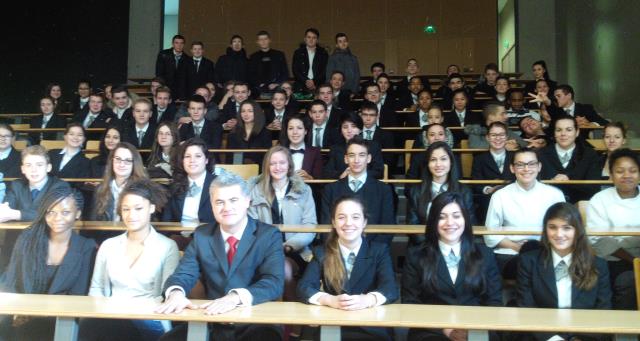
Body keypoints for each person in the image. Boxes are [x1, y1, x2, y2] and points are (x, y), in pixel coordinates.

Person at [156, 173, 284, 341]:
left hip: (255, 320)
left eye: (233, 200)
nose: (226, 207)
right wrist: (176, 293)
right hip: (212, 320)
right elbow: (184, 273)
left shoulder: (268, 235)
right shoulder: (202, 235)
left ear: (247, 201)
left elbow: (274, 281)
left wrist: (235, 297)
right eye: (219, 202)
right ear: (212, 205)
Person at [79, 179, 179, 341]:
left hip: (150, 318)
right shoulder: (109, 245)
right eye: (126, 209)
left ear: (151, 208)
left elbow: (165, 295)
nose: (131, 215)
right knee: (89, 325)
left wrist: (126, 311)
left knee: (117, 329)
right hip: (110, 317)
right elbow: (96, 289)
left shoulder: (168, 246)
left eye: (138, 208)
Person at [402, 192, 502, 341]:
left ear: (465, 220)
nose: (450, 223)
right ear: (433, 222)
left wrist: (470, 329)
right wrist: (446, 328)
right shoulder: (416, 256)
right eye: (442, 217)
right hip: (431, 330)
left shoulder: (485, 254)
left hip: (476, 327)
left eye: (456, 216)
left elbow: (494, 302)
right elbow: (410, 303)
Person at [0, 187, 96, 341]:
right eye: (51, 212)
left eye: (65, 212)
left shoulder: (86, 247)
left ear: (77, 213)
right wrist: (16, 310)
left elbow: (78, 294)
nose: (57, 218)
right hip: (20, 316)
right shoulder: (27, 239)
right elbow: (12, 279)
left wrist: (35, 313)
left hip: (61, 319)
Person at [297, 196, 398, 341]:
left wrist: (368, 299)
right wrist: (329, 300)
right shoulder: (322, 252)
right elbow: (303, 287)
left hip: (370, 324)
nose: (348, 223)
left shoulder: (379, 251)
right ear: (333, 222)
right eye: (341, 217)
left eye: (355, 217)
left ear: (364, 222)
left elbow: (390, 289)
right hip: (333, 323)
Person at [517, 202, 611, 340]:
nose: (559, 234)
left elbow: (603, 311)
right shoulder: (528, 261)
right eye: (552, 227)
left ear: (577, 230)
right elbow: (526, 309)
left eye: (567, 228)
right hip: (542, 334)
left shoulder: (598, 264)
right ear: (545, 229)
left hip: (585, 335)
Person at [247, 146, 317, 303]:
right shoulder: (255, 191)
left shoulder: (304, 191)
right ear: (267, 166)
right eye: (273, 163)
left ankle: (290, 321)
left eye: (282, 163)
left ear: (289, 165)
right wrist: (269, 247)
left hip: (296, 251)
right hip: (263, 251)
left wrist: (289, 246)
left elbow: (310, 226)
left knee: (282, 267)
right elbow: (251, 226)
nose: (277, 167)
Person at [485, 148, 566, 279]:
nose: (526, 169)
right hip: (509, 253)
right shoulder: (500, 195)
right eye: (520, 164)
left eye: (531, 164)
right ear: (512, 168)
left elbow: (563, 231)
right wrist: (516, 247)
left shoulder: (555, 194)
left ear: (539, 167)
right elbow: (490, 234)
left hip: (547, 250)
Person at [0, 145, 71, 268]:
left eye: (39, 165)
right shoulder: (16, 185)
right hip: (16, 246)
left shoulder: (60, 186)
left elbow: (51, 214)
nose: (34, 170)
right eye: (28, 165)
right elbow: (7, 209)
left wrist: (17, 214)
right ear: (22, 169)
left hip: (47, 246)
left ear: (48, 167)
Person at [587, 148, 640, 309]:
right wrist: (634, 261)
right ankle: (626, 333)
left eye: (633, 171)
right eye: (620, 171)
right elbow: (600, 240)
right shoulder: (600, 199)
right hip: (616, 260)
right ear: (611, 174)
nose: (627, 176)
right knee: (628, 280)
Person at [321, 137, 395, 245]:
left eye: (361, 155)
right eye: (352, 155)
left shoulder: (383, 190)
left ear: (369, 158)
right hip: (338, 251)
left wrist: (368, 253)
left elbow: (387, 229)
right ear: (346, 159)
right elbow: (326, 229)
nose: (356, 160)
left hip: (373, 253)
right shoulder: (330, 189)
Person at [406, 142, 476, 233]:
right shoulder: (415, 191)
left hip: (456, 244)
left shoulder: (465, 191)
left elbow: (470, 225)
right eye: (433, 160)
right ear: (427, 164)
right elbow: (412, 227)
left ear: (451, 162)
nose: (438, 164)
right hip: (424, 245)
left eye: (443, 159)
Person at [539, 114, 601, 203]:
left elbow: (594, 187)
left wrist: (569, 181)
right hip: (548, 204)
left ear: (577, 132)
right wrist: (551, 183)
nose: (563, 134)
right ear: (554, 133)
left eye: (569, 130)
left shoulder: (589, 154)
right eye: (559, 130)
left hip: (580, 205)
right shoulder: (541, 154)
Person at [87, 143, 148, 229]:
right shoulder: (100, 189)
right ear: (112, 161)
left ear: (134, 164)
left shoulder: (143, 190)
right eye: (118, 159)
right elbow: (93, 221)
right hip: (105, 238)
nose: (122, 164)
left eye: (127, 160)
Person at [163, 138, 216, 228]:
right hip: (178, 236)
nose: (192, 160)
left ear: (206, 160)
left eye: (198, 156)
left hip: (209, 237)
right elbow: (167, 219)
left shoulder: (218, 184)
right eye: (187, 156)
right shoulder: (175, 185)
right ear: (182, 160)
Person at [471, 121, 516, 222]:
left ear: (507, 137)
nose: (498, 138)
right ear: (487, 137)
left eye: (501, 135)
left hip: (513, 197)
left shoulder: (515, 157)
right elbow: (475, 183)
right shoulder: (478, 159)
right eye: (494, 135)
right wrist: (488, 190)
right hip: (488, 199)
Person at [323, 111, 384, 179]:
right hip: (343, 185)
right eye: (345, 127)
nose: (349, 130)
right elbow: (327, 172)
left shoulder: (373, 146)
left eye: (353, 127)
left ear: (360, 129)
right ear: (341, 130)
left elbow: (379, 171)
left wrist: (358, 174)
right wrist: (343, 174)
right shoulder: (335, 149)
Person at [227, 100, 273, 167]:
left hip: (259, 169)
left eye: (250, 111)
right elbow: (230, 157)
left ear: (256, 113)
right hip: (238, 169)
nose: (246, 114)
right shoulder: (233, 133)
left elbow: (266, 157)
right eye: (243, 111)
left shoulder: (265, 133)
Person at [279, 113, 322, 180]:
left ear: (305, 131)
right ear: (286, 131)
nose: (295, 132)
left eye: (299, 128)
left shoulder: (315, 152)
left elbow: (319, 180)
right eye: (290, 128)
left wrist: (310, 178)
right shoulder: (278, 152)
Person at [248, 30, 289, 96]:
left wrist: (276, 83)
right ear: (257, 42)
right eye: (261, 39)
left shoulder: (279, 55)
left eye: (265, 39)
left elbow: (285, 73)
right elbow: (251, 75)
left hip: (276, 87)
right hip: (259, 88)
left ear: (269, 40)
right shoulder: (253, 57)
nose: (263, 41)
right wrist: (259, 84)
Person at [292, 28, 328, 93]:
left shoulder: (323, 53)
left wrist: (314, 81)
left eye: (314, 38)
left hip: (318, 85)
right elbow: (295, 70)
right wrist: (306, 81)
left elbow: (325, 71)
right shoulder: (298, 52)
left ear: (317, 40)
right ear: (305, 39)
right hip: (301, 85)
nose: (311, 40)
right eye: (309, 37)